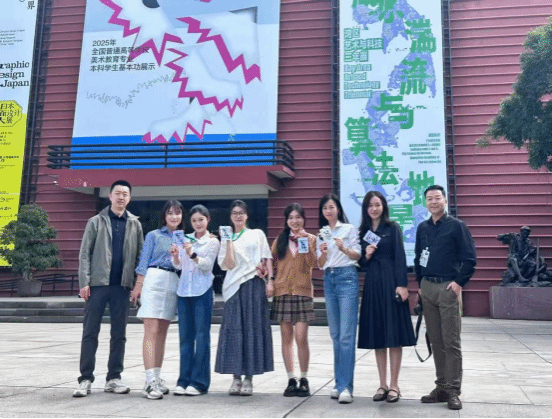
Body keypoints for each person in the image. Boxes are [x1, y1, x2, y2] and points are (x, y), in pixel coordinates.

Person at [73, 180, 144, 398]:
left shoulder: (135, 224)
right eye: (117, 193)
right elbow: (85, 253)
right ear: (110, 196)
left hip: (122, 286)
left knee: (119, 334)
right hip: (97, 285)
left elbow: (140, 257)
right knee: (90, 332)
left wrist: (137, 285)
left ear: (129, 198)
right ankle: (85, 378)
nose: (121, 197)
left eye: (125, 194)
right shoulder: (96, 221)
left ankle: (114, 378)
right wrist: (84, 282)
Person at [414, 185, 477, 411]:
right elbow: (419, 257)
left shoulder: (457, 226)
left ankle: (453, 390)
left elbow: (470, 258)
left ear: (445, 201)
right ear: (425, 202)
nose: (433, 202)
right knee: (436, 341)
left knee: (451, 342)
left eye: (437, 198)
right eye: (429, 198)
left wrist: (459, 283)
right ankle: (440, 386)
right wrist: (420, 284)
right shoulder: (422, 228)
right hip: (427, 288)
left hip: (448, 288)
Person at [357, 191, 415, 403]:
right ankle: (382, 384)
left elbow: (400, 256)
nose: (374, 209)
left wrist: (402, 284)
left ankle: (394, 385)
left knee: (394, 334)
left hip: (391, 282)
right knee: (378, 335)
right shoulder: (363, 231)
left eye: (377, 204)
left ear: (383, 206)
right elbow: (360, 264)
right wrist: (366, 256)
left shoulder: (393, 227)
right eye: (370, 205)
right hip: (373, 283)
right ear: (366, 208)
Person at [215, 200, 274, 396]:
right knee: (234, 330)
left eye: (241, 212)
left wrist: (270, 281)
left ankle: (249, 377)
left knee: (252, 329)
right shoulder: (227, 238)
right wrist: (228, 241)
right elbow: (228, 265)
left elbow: (267, 258)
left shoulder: (257, 234)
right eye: (234, 213)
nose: (238, 216)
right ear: (230, 217)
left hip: (254, 284)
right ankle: (236, 377)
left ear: (247, 215)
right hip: (233, 287)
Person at [131, 200, 183, 399]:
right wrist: (139, 285)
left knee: (162, 333)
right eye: (170, 213)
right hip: (154, 279)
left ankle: (157, 377)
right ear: (164, 216)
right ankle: (149, 380)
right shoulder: (153, 235)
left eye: (177, 213)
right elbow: (144, 261)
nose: (174, 216)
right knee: (151, 331)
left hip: (173, 282)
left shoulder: (184, 238)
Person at [170, 205, 220, 396]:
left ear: (207, 220)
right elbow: (179, 266)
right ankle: (183, 380)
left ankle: (199, 382)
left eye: (201, 219)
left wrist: (192, 254)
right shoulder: (184, 238)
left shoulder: (212, 241)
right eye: (194, 220)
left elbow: (207, 266)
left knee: (202, 336)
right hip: (184, 291)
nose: (198, 223)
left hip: (202, 291)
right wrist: (176, 256)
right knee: (185, 338)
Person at [269, 203, 318, 398]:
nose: (294, 221)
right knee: (286, 338)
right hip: (283, 292)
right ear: (286, 220)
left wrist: (304, 241)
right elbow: (271, 261)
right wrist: (269, 279)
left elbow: (314, 263)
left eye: (298, 217)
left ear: (304, 219)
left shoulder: (311, 239)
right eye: (291, 217)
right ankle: (291, 378)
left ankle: (304, 378)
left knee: (301, 337)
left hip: (303, 291)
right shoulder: (280, 239)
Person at [317, 193, 361, 404]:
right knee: (335, 335)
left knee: (346, 336)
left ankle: (346, 387)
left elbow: (357, 255)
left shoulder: (349, 229)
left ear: (338, 209)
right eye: (325, 208)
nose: (328, 211)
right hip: (329, 278)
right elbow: (320, 264)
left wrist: (344, 248)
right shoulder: (322, 233)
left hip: (347, 278)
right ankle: (338, 382)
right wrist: (323, 252)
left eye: (331, 207)